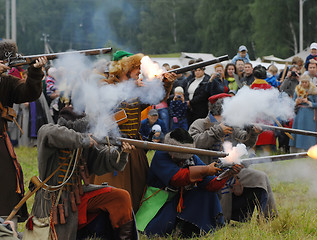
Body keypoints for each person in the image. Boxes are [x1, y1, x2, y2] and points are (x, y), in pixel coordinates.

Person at [26, 107, 137, 239]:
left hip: (77, 196)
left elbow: (104, 158)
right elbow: (49, 133)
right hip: (52, 202)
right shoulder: (51, 133)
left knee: (120, 197)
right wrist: (82, 139)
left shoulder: (85, 144)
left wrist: (121, 152)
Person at [92, 50, 176, 212]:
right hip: (112, 145)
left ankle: (132, 219)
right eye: (136, 68)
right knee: (112, 190)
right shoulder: (105, 85)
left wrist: (166, 83)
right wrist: (131, 88)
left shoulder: (134, 88)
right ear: (125, 69)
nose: (139, 72)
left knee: (137, 187)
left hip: (134, 145)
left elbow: (156, 98)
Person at [135, 128, 241, 238]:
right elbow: (177, 178)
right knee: (154, 231)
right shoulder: (161, 154)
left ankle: (192, 228)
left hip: (181, 198)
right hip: (159, 200)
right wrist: (205, 170)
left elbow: (210, 185)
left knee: (207, 193)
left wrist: (227, 174)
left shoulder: (191, 157)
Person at [189, 93, 278, 223]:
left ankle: (268, 218)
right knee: (223, 188)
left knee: (260, 177)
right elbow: (194, 144)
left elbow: (244, 142)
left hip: (233, 169)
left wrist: (252, 134)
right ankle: (220, 223)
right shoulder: (200, 124)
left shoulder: (231, 123)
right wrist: (217, 130)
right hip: (208, 171)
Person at [0, 39, 47, 225]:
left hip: (1, 138)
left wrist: (35, 72)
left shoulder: (7, 81)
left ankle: (5, 224)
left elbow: (28, 93)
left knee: (9, 182)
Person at [290, 74, 317, 152]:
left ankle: (310, 149)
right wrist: (296, 102)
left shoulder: (313, 90)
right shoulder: (297, 90)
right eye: (303, 82)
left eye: (306, 82)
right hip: (299, 114)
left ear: (309, 82)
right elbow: (292, 103)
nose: (304, 84)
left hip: (310, 114)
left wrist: (309, 102)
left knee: (309, 131)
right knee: (299, 131)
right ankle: (297, 150)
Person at [250, 65, 276, 154]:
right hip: (266, 118)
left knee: (252, 141)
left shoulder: (250, 88)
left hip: (255, 118)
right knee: (266, 143)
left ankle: (251, 159)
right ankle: (267, 159)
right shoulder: (270, 89)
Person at [184, 58, 211, 126]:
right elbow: (186, 92)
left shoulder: (206, 80)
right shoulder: (191, 80)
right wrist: (187, 101)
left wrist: (191, 102)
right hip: (190, 109)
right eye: (196, 70)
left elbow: (203, 95)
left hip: (201, 108)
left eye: (199, 70)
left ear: (203, 70)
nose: (197, 72)